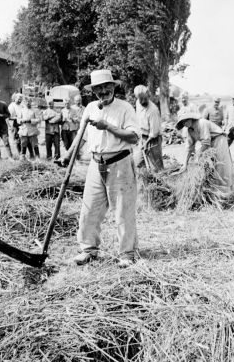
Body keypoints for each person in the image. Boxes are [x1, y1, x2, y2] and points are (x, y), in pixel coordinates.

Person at [59, 69, 139, 267]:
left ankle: (127, 254)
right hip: (96, 164)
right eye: (98, 89)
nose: (103, 91)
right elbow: (81, 135)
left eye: (106, 86)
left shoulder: (125, 108)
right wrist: (67, 154)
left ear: (113, 87)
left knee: (123, 210)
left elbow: (134, 137)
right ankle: (88, 249)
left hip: (120, 163)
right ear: (93, 91)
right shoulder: (90, 108)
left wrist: (108, 127)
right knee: (89, 208)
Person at [176, 110, 234, 193]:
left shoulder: (201, 123)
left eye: (186, 120)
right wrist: (185, 164)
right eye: (183, 122)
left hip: (219, 139)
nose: (185, 123)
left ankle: (227, 191)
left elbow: (206, 142)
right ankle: (216, 189)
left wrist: (198, 156)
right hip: (210, 143)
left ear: (191, 118)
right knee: (212, 166)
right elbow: (189, 147)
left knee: (221, 165)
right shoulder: (190, 130)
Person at [133, 85, 164, 171]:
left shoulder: (153, 110)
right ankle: (145, 180)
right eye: (141, 99)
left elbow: (154, 132)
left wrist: (146, 143)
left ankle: (160, 182)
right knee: (139, 162)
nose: (143, 101)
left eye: (145, 98)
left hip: (153, 139)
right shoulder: (137, 103)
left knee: (156, 167)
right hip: (142, 136)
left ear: (148, 96)